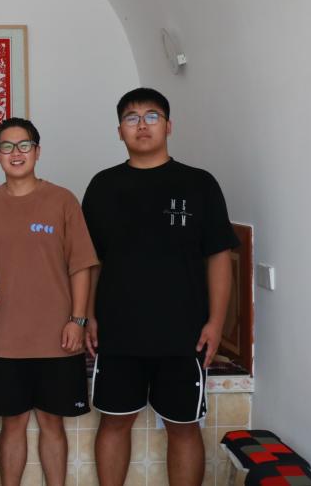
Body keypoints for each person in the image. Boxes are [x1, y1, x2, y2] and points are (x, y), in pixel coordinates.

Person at [82, 88, 239, 486]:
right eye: (131, 118)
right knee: (113, 422)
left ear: (169, 126)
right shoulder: (102, 186)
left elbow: (219, 257)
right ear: (119, 130)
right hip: (118, 331)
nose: (142, 125)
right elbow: (91, 261)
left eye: (152, 116)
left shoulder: (199, 184)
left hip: (184, 333)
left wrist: (216, 323)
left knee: (183, 427)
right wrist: (88, 316)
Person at [0, 117, 98, 486]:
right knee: (12, 424)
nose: (16, 153)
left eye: (24, 145)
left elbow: (81, 266)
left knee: (51, 423)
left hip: (58, 338)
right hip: (4, 339)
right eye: (7, 146)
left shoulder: (62, 200)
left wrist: (77, 320)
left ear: (37, 152)